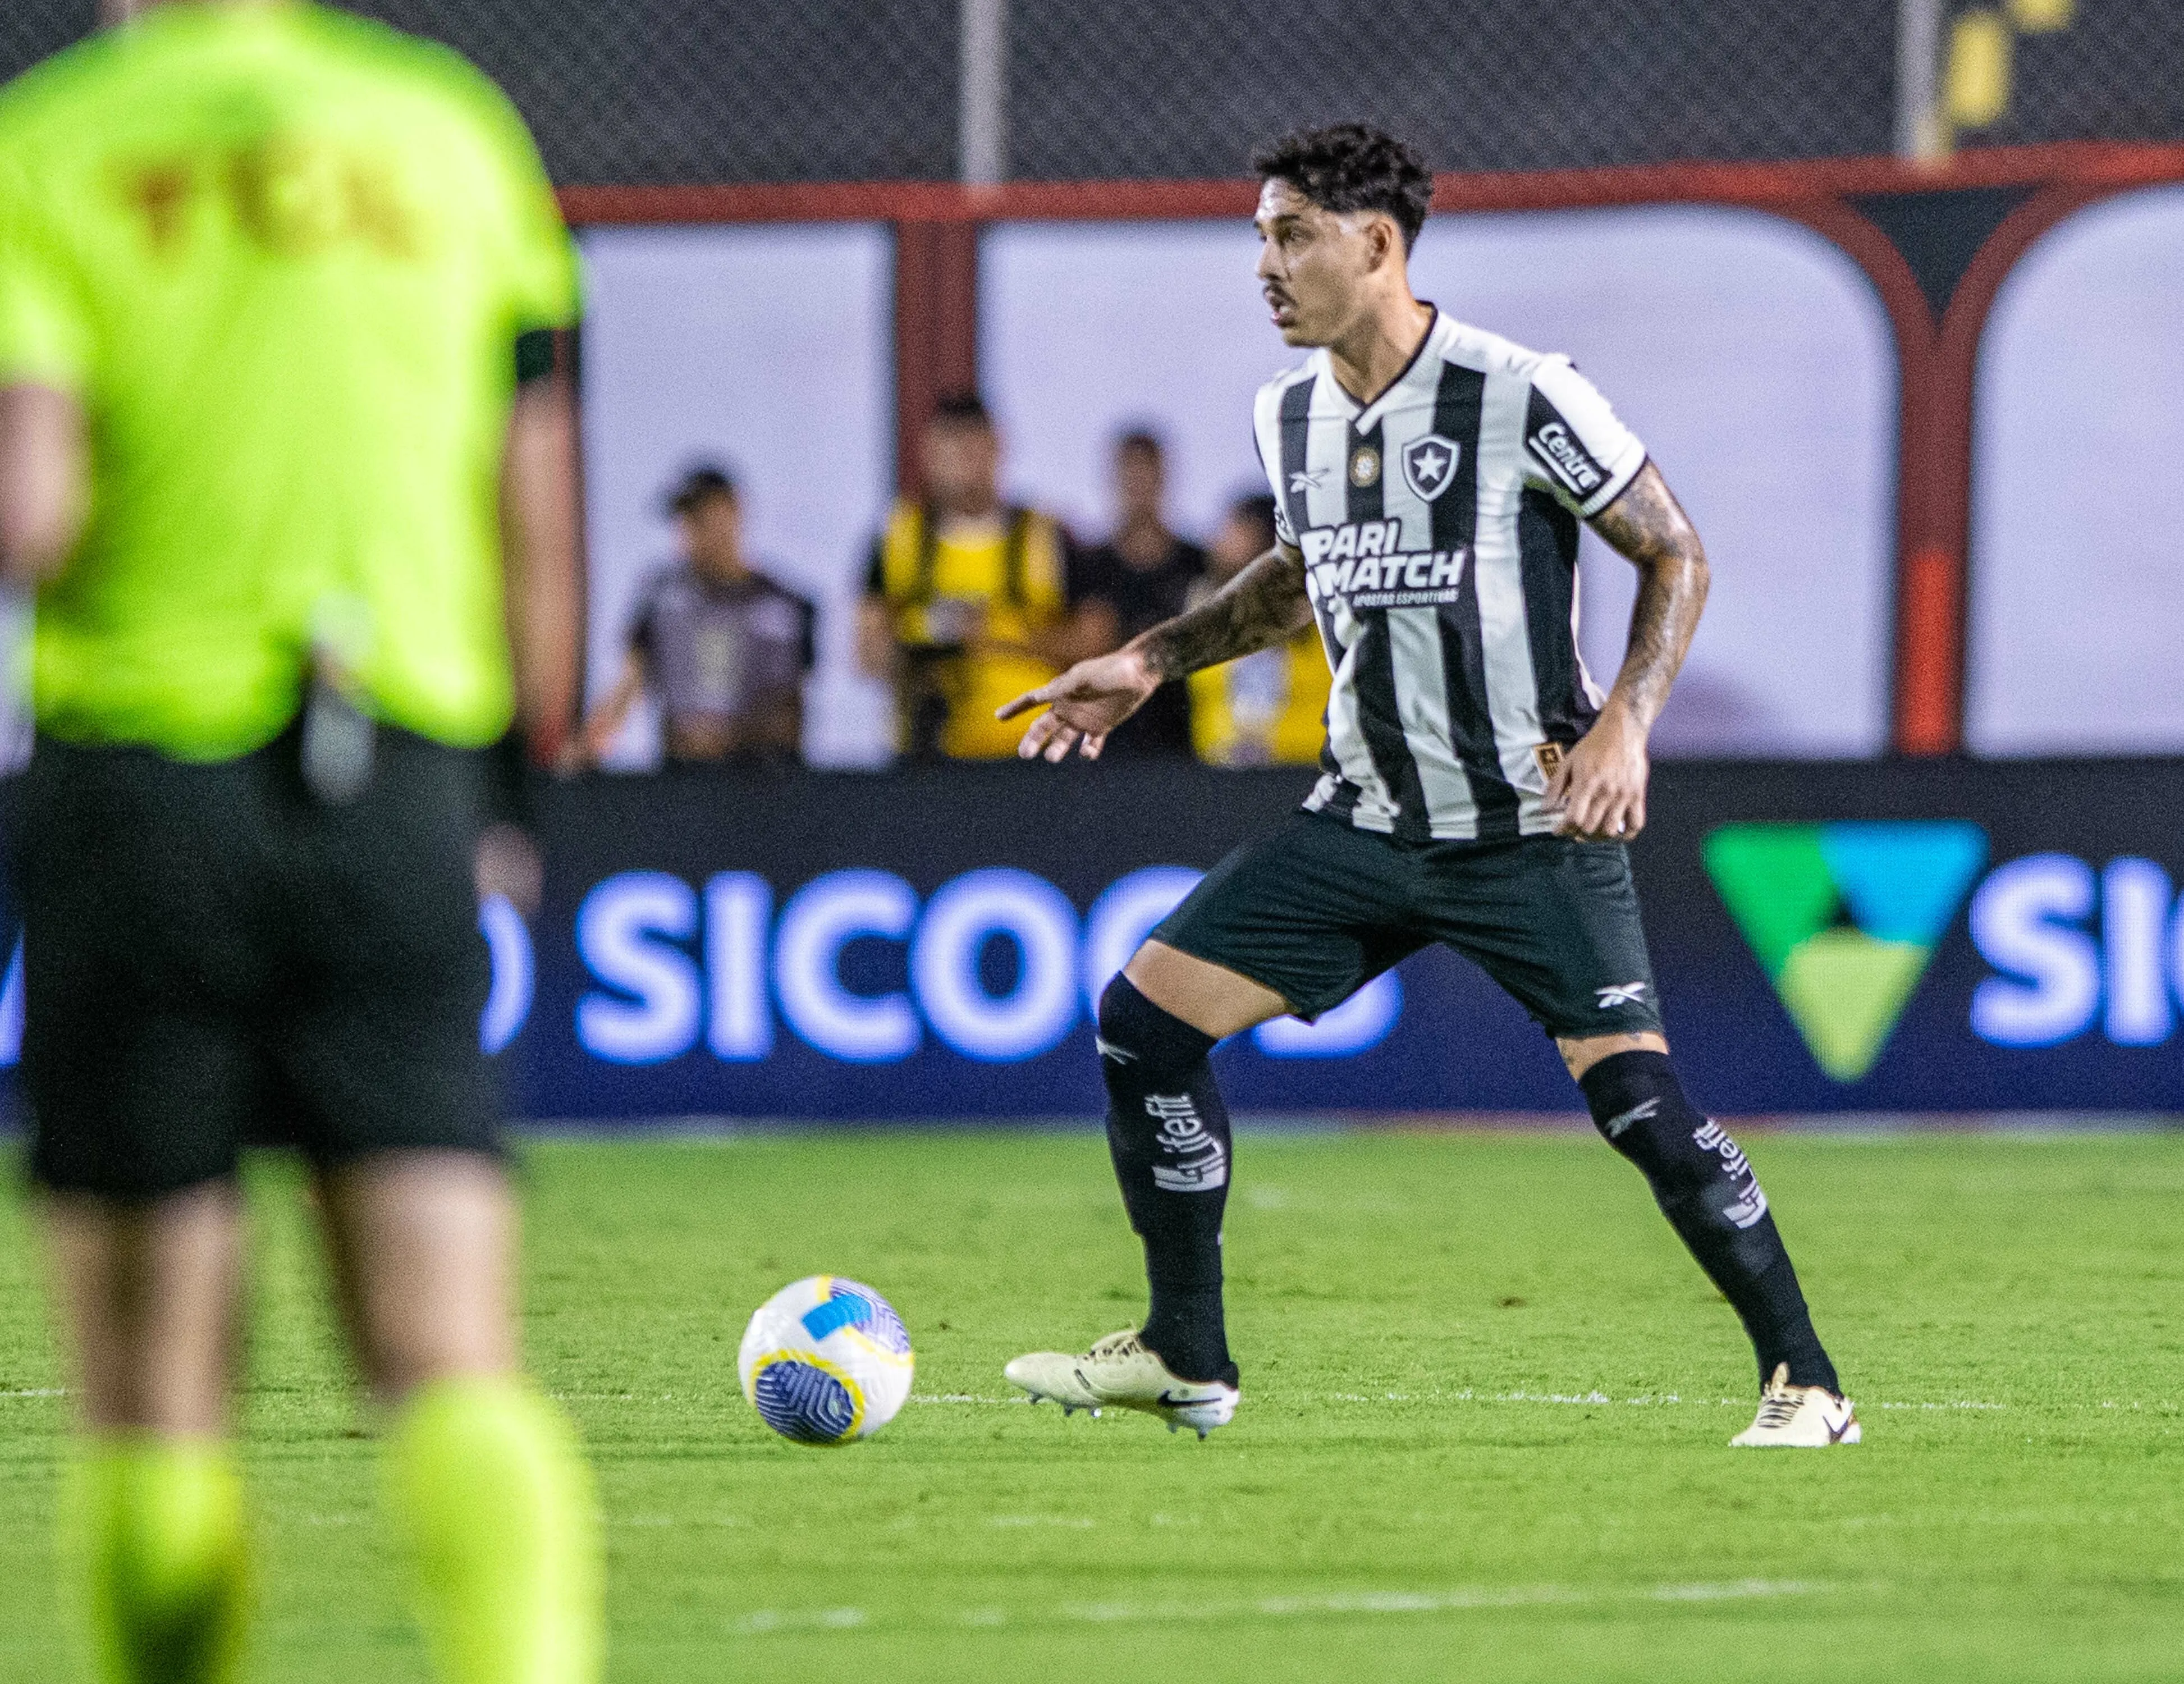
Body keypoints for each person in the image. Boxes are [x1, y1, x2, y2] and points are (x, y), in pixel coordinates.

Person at [997, 123, 1856, 1449]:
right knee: (1142, 1028)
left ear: (1376, 243)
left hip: (1527, 823)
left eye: (1291, 236)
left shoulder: (1519, 393)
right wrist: (1151, 660)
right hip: (1362, 820)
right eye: (1258, 238)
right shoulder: (1287, 414)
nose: (1265, 266)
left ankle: (1807, 1382)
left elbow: (1672, 551)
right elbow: (1296, 577)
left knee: (1638, 1108)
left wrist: (1623, 725)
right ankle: (1184, 1353)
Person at [0, 3, 603, 1681]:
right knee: (446, 1347)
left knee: (153, 1397)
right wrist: (506, 798)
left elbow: (31, 507)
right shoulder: (451, 130)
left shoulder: (49, 146)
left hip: (143, 788)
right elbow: (534, 490)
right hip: (393, 781)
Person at [858, 392, 1093, 761]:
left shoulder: (1047, 535)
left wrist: (995, 635)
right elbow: (868, 655)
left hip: (1033, 751)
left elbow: (1094, 645)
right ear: (928, 455)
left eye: (973, 449)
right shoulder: (898, 538)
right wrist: (921, 649)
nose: (963, 466)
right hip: (927, 754)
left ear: (997, 448)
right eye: (951, 451)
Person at [574, 464, 814, 768]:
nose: (690, 532)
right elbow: (629, 684)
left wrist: (724, 737)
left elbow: (792, 714)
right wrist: (589, 745)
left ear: (734, 510)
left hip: (763, 783)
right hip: (682, 780)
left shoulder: (785, 605)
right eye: (684, 521)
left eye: (701, 517)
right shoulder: (660, 596)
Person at [1065, 429, 1206, 757]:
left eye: (1146, 474)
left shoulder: (1197, 563)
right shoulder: (1088, 566)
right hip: (1105, 745)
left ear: (1164, 478)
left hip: (1185, 742)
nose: (1138, 485)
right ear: (1113, 481)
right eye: (1130, 475)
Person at [1186, 492, 1331, 766]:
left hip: (1303, 772)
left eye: (1236, 529)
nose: (1220, 541)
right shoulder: (1205, 614)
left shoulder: (1323, 614)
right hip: (1217, 777)